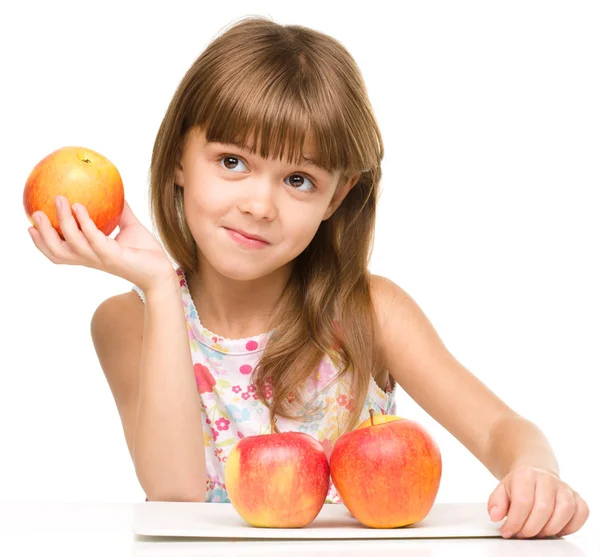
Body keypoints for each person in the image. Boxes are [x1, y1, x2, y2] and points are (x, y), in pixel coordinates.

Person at [27, 15, 589, 539]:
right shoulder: (128, 321)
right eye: (232, 162)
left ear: (336, 197)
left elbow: (502, 432)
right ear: (178, 158)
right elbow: (174, 496)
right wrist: (156, 285)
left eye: (298, 179)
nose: (259, 204)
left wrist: (534, 471)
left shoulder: (368, 311)